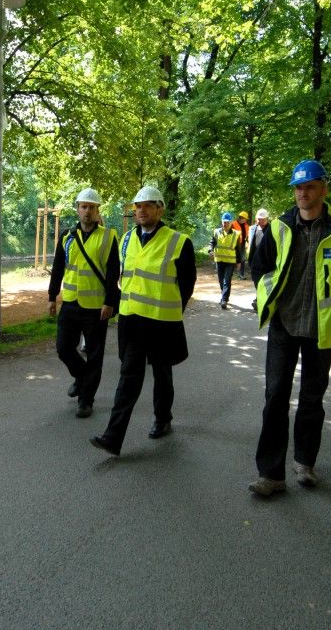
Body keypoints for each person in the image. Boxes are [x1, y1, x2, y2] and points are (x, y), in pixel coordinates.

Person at [249, 159, 331, 497]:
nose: (303, 193)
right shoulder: (278, 227)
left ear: (323, 189)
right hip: (284, 325)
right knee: (274, 398)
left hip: (322, 328)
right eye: (298, 187)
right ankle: (270, 474)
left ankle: (305, 462)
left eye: (309, 186)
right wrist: (264, 296)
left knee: (312, 400)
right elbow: (260, 266)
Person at [90, 186, 196, 456]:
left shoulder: (178, 242)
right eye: (138, 206)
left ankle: (163, 418)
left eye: (148, 205)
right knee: (128, 379)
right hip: (132, 321)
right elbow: (122, 278)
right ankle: (113, 438)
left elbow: (186, 284)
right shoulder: (126, 240)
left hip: (162, 323)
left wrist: (172, 309)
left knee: (162, 375)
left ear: (160, 209)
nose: (141, 210)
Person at [48, 188, 120, 418]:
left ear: (98, 210)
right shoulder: (67, 237)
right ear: (78, 209)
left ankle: (86, 400)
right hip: (70, 303)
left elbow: (112, 271)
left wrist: (109, 301)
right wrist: (52, 296)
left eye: (92, 207)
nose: (87, 211)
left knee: (95, 355)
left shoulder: (109, 236)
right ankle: (81, 377)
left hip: (97, 306)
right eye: (83, 207)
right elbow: (58, 267)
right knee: (63, 348)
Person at [209, 212, 241, 309]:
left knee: (226, 280)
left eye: (227, 222)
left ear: (231, 222)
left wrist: (239, 262)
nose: (225, 224)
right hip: (219, 260)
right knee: (220, 280)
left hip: (230, 262)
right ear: (221, 222)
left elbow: (238, 249)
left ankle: (224, 300)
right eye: (224, 222)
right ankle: (224, 296)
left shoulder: (236, 234)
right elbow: (212, 242)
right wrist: (210, 250)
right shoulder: (216, 232)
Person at [248, 208, 270, 312]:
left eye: (263, 219)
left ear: (267, 219)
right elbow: (251, 245)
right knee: (257, 283)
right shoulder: (253, 229)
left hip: (267, 263)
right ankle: (258, 300)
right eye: (259, 219)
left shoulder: (271, 230)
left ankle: (259, 302)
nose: (260, 221)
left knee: (264, 284)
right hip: (255, 262)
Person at [233, 211, 250, 278]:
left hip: (242, 244)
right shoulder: (233, 224)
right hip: (234, 244)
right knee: (235, 258)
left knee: (243, 258)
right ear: (241, 218)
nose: (246, 220)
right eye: (245, 218)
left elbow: (247, 235)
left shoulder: (246, 225)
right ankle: (233, 272)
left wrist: (248, 242)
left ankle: (241, 274)